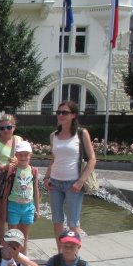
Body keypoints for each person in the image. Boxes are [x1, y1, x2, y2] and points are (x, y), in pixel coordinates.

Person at [44, 101, 96, 251]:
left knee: (73, 222)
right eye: (58, 112)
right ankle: (61, 253)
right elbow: (54, 159)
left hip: (73, 183)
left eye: (65, 112)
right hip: (55, 183)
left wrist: (81, 181)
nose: (60, 115)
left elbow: (92, 159)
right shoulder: (54, 136)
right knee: (57, 221)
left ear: (73, 115)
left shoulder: (81, 134)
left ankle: (73, 256)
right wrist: (46, 178)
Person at [0, 114, 23, 244]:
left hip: (17, 180)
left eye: (9, 127)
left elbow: (26, 158)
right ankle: (2, 242)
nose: (5, 130)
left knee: (15, 212)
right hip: (2, 180)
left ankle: (14, 241)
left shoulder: (19, 140)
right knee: (1, 214)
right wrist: (4, 167)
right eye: (2, 128)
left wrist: (18, 161)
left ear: (14, 127)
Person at [5, 141, 40, 254]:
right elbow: (6, 190)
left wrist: (38, 210)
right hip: (13, 206)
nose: (23, 157)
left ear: (30, 155)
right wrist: (4, 209)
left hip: (28, 206)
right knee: (12, 235)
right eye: (20, 154)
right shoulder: (13, 170)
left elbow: (36, 191)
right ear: (16, 155)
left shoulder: (34, 170)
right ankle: (10, 258)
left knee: (24, 236)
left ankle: (23, 258)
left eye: (26, 155)